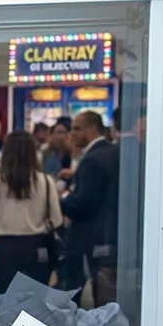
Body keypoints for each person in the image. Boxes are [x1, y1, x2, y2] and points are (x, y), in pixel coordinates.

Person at [0, 131, 63, 296]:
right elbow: (56, 219)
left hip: (5, 248)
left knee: (4, 302)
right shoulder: (45, 181)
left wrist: (3, 224)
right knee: (36, 305)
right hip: (37, 247)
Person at [60, 110, 119, 306]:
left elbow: (84, 204)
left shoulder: (92, 160)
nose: (72, 134)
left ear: (93, 128)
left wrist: (62, 201)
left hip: (92, 237)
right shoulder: (114, 152)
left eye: (77, 128)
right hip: (112, 235)